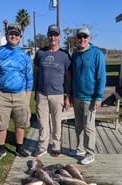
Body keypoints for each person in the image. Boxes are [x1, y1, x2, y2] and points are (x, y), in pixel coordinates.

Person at [0, 23, 33, 160]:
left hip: (20, 95)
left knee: (21, 123)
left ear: (20, 37)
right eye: (11, 34)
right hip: (2, 95)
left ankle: (19, 148)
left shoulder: (24, 55)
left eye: (16, 34)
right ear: (7, 36)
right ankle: (1, 149)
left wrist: (27, 96)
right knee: (1, 124)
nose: (14, 36)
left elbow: (29, 77)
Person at [33, 24, 71, 158]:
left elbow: (68, 78)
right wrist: (35, 91)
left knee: (56, 123)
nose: (52, 37)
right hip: (41, 94)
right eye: (50, 34)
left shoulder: (65, 55)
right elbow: (36, 73)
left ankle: (56, 146)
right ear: (48, 36)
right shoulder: (40, 53)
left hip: (58, 94)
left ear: (59, 37)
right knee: (43, 123)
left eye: (55, 35)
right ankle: (42, 146)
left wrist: (68, 97)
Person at [70, 26, 106, 164]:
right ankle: (79, 149)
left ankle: (90, 153)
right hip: (77, 97)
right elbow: (73, 75)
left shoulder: (97, 53)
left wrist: (98, 97)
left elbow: (101, 77)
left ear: (89, 38)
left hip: (90, 98)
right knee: (78, 125)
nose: (82, 39)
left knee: (89, 127)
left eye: (85, 37)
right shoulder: (74, 55)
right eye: (79, 37)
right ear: (76, 39)